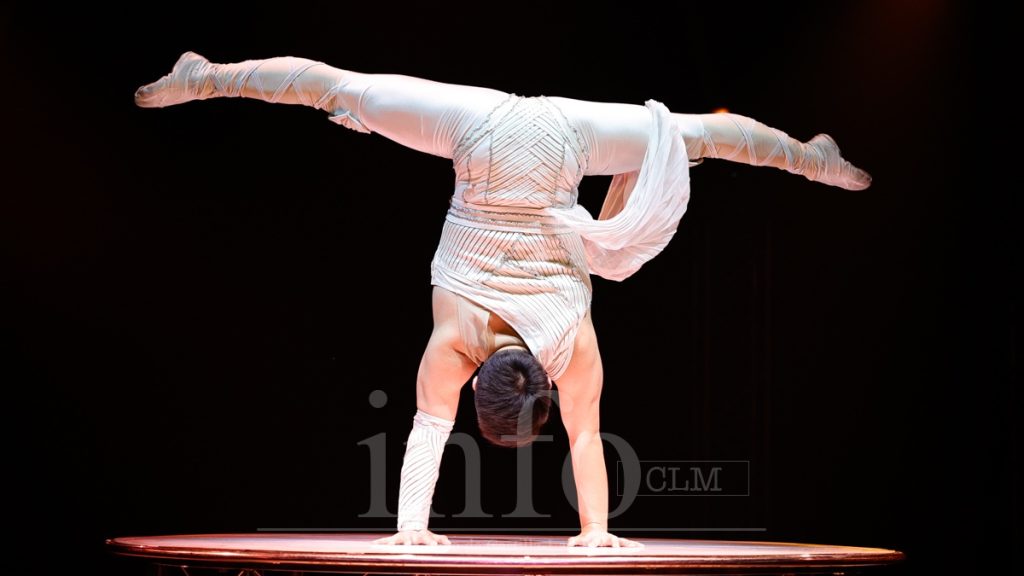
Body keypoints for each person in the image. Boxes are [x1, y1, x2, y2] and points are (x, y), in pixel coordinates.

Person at [134, 52, 871, 548]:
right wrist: (410, 527)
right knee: (338, 88)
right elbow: (429, 427)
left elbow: (584, 437)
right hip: (488, 135)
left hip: (552, 140)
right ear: (477, 381)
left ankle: (811, 159)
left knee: (696, 136)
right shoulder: (453, 344)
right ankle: (810, 158)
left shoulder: (568, 353)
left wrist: (597, 530)